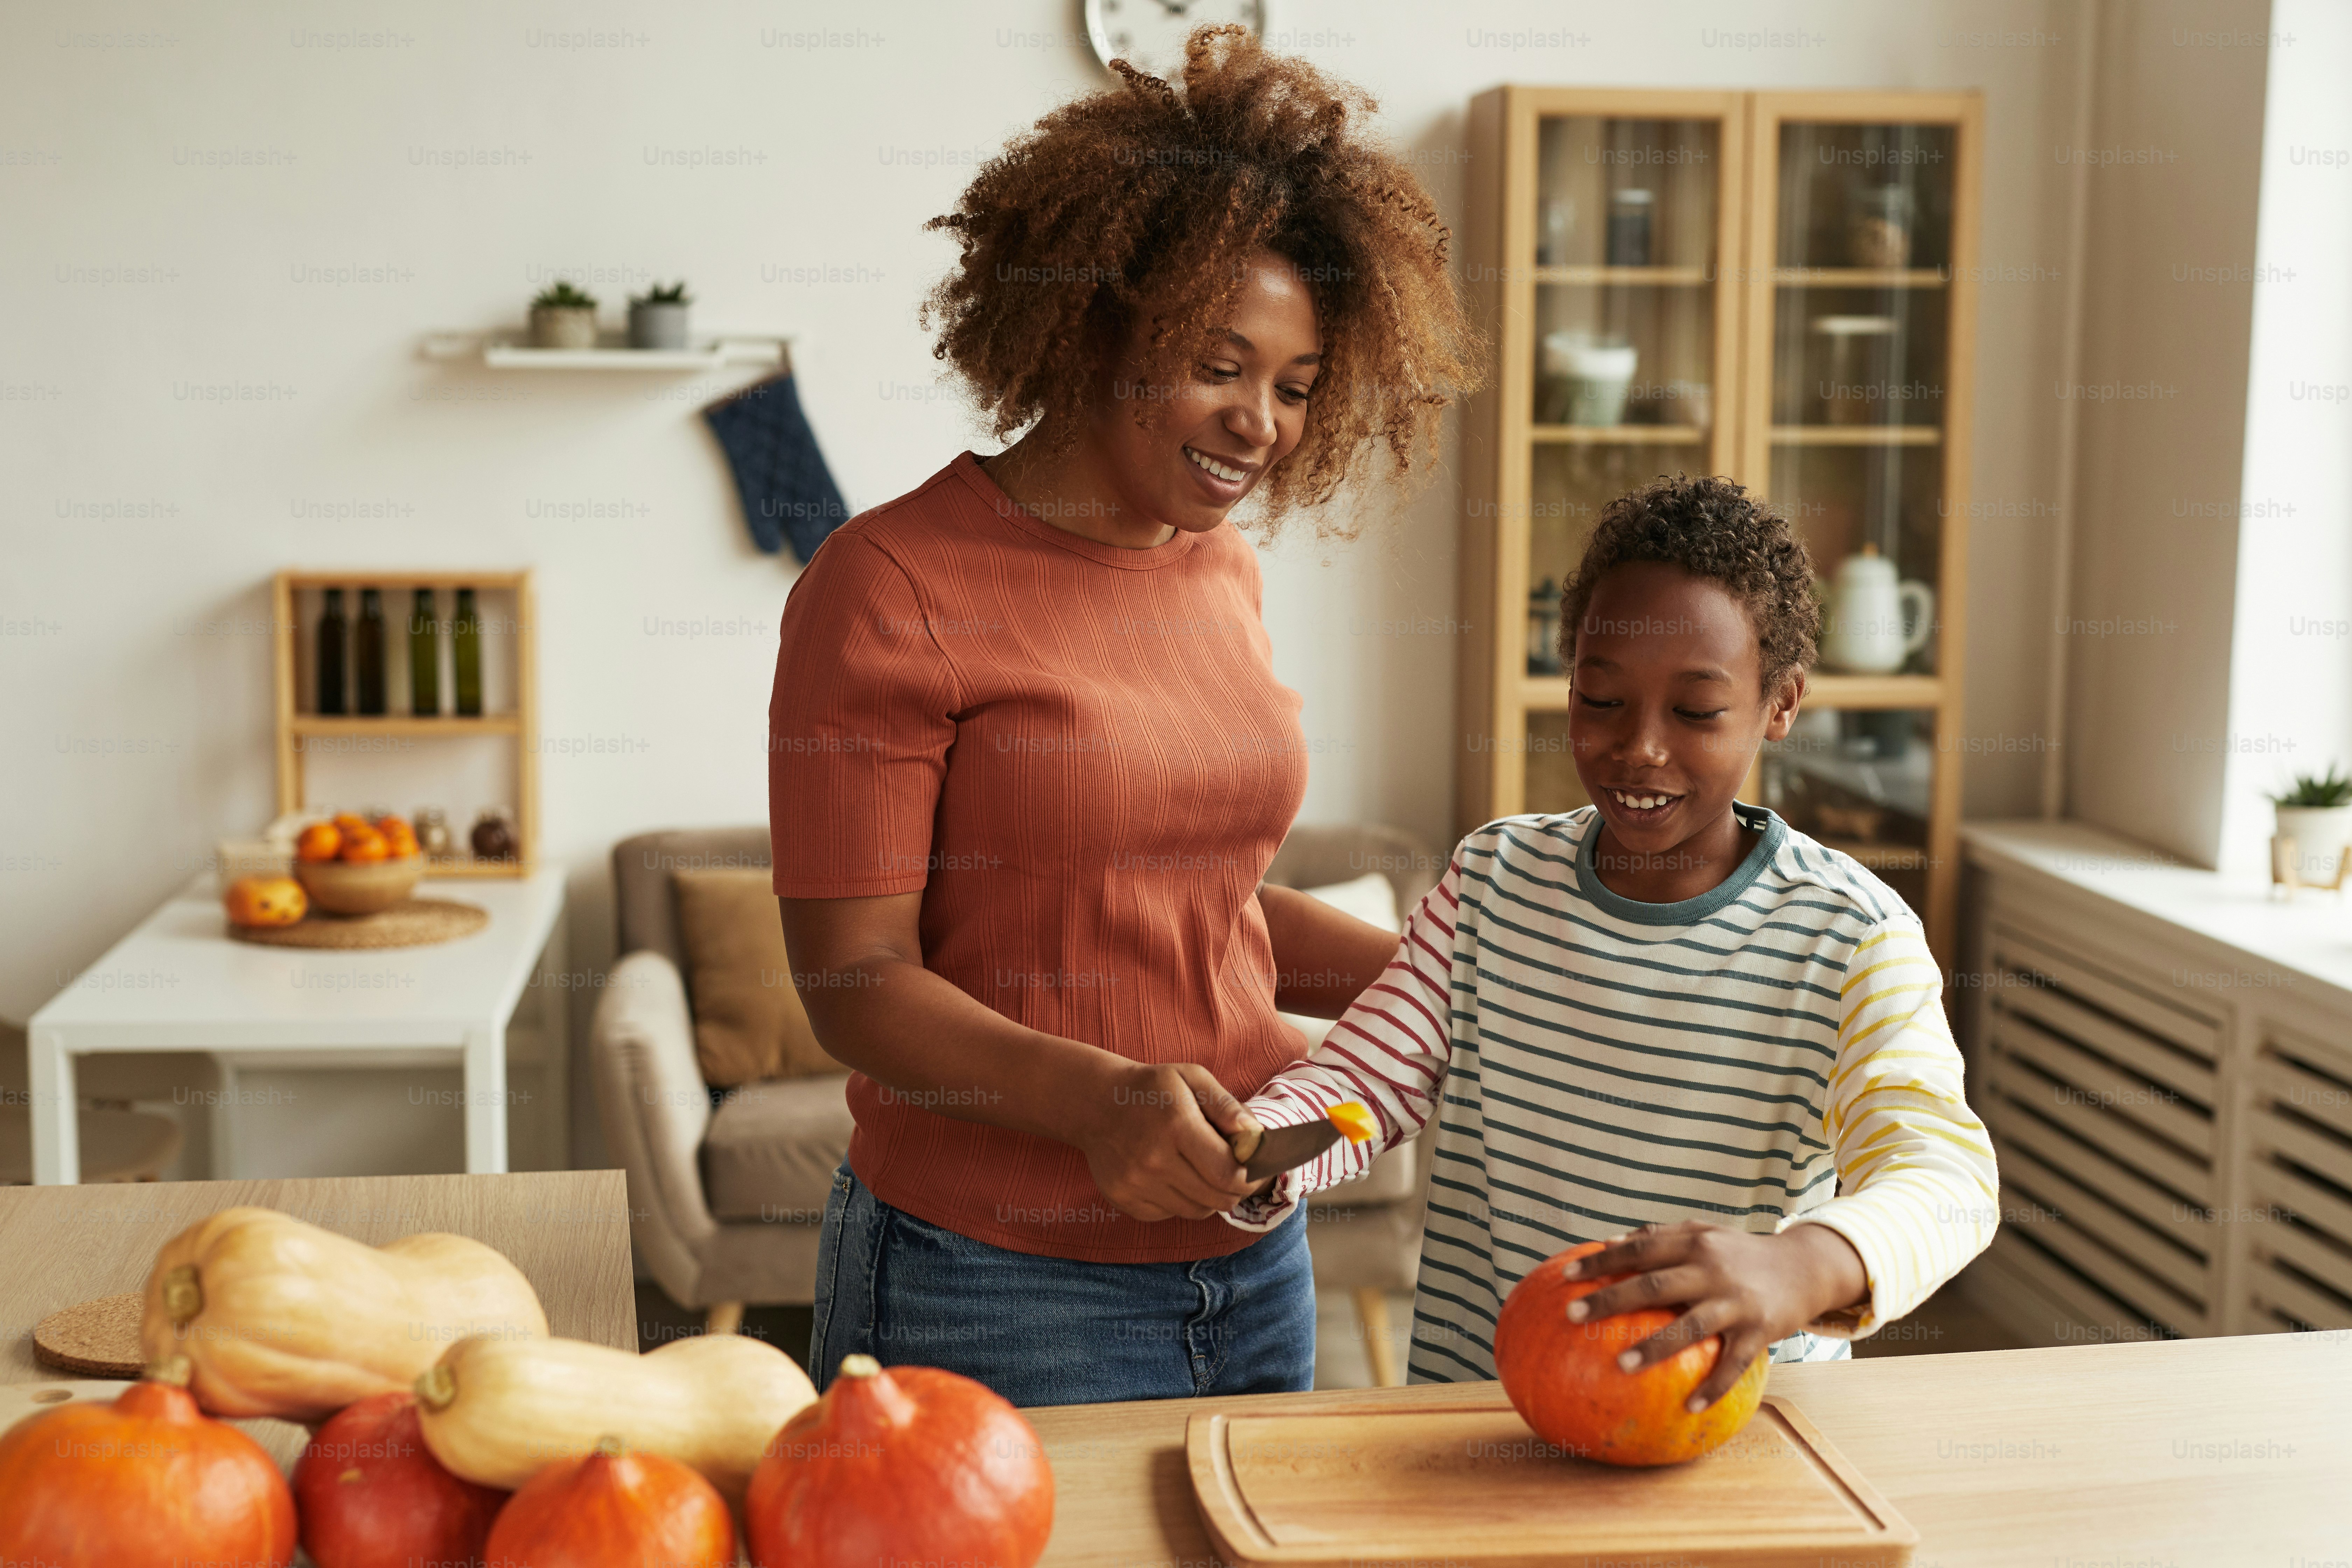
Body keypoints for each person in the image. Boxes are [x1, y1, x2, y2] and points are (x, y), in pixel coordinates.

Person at [768, 26, 1477, 1406]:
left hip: (1256, 1246)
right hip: (990, 1274)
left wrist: (1442, 980)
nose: (1262, 422)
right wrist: (1099, 1101)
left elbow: (1194, 900)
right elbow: (852, 979)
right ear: (1097, 321)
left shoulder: (1220, 570)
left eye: (1295, 386)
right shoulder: (889, 584)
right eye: (1222, 364)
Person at [1226, 474, 1999, 1401]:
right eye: (1601, 699)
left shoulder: (1852, 940)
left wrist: (1800, 1268)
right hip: (1489, 1416)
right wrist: (1262, 1145)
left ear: (1782, 703)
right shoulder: (1492, 884)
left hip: (1726, 1439)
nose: (1641, 747)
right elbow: (1364, 1082)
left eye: (1697, 712)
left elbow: (1944, 1177)